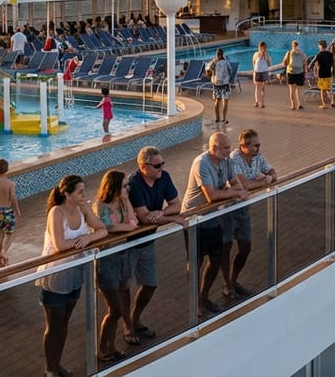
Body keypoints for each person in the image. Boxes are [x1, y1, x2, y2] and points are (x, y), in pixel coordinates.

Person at [37, 175, 107, 377]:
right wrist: (82, 241)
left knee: (64, 323)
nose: (84, 195)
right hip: (55, 277)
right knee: (54, 325)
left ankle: (57, 363)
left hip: (75, 274)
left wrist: (89, 237)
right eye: (80, 192)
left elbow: (102, 229)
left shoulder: (83, 208)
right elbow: (59, 245)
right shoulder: (56, 213)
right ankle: (50, 369)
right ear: (67, 194)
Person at [181, 132, 249, 316]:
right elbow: (212, 196)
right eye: (226, 148)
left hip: (211, 217)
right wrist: (234, 193)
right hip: (194, 217)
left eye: (229, 147)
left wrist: (238, 190)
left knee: (216, 258)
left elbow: (235, 183)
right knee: (196, 261)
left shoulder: (226, 160)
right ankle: (196, 302)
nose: (229, 151)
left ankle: (203, 298)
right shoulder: (202, 163)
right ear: (214, 148)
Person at [125, 146, 183, 344]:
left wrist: (163, 213)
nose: (161, 168)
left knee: (150, 284)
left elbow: (177, 204)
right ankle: (127, 326)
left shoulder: (163, 177)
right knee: (123, 289)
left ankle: (135, 320)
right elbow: (144, 217)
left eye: (162, 164)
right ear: (143, 166)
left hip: (147, 242)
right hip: (126, 246)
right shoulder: (134, 184)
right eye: (157, 165)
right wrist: (175, 219)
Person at [222, 129, 277, 300]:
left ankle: (233, 280)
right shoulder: (233, 159)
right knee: (226, 248)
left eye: (258, 145)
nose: (258, 148)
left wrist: (267, 178)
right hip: (228, 210)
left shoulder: (258, 157)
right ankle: (227, 285)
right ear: (243, 146)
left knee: (245, 246)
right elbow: (243, 185)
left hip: (243, 208)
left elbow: (273, 173)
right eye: (255, 146)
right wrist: (264, 180)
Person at [94, 170, 139, 362]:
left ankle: (110, 347)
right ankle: (102, 348)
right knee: (115, 309)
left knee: (119, 304)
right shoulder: (100, 207)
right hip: (107, 259)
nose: (127, 188)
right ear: (112, 186)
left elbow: (133, 221)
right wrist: (125, 227)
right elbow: (106, 228)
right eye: (124, 186)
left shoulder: (121, 202)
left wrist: (127, 199)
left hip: (122, 255)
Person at [206, 48, 231, 124]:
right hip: (225, 84)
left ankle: (217, 118)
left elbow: (208, 70)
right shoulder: (226, 62)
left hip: (217, 84)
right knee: (225, 101)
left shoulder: (214, 62)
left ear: (217, 55)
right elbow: (230, 71)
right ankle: (224, 118)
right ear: (222, 54)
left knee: (217, 101)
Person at [310, 40, 335, 109]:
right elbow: (333, 63)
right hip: (329, 73)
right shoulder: (330, 54)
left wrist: (315, 73)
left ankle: (323, 104)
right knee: (329, 88)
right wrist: (334, 71)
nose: (318, 47)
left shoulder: (319, 54)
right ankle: (332, 101)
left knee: (322, 90)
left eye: (319, 46)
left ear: (321, 46)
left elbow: (316, 65)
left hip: (322, 74)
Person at [282, 40, 307, 110]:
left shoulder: (301, 53)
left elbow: (305, 61)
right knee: (292, 89)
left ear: (298, 46)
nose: (295, 48)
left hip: (299, 73)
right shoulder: (289, 53)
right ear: (292, 46)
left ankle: (299, 104)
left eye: (296, 46)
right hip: (291, 73)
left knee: (298, 89)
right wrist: (288, 65)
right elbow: (284, 62)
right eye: (293, 46)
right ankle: (293, 104)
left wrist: (305, 69)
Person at [251, 41, 271, 108]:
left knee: (263, 88)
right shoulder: (256, 54)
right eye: (261, 47)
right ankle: (256, 101)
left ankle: (262, 102)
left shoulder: (267, 55)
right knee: (257, 88)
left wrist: (265, 57)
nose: (262, 49)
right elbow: (253, 63)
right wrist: (254, 72)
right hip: (257, 72)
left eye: (264, 47)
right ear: (259, 47)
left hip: (264, 72)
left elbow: (269, 64)